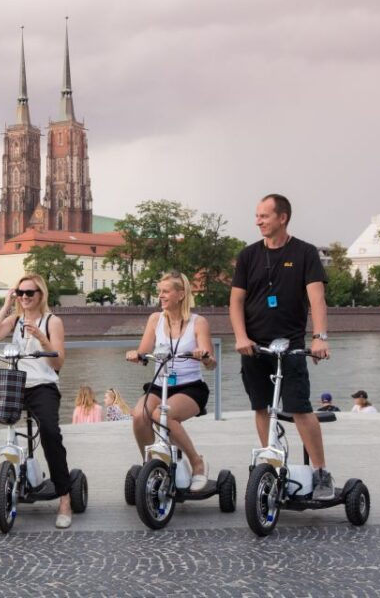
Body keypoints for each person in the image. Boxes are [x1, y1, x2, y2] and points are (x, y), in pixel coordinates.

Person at [230, 193, 335, 500]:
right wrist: (240, 337)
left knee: (300, 408)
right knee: (261, 406)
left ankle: (320, 471)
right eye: (257, 216)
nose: (258, 221)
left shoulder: (304, 253)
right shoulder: (248, 255)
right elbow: (236, 301)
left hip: (289, 344)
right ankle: (271, 462)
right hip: (254, 346)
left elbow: (316, 297)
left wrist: (319, 336)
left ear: (282, 217)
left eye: (264, 216)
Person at [0, 274, 74, 529]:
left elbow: (58, 362)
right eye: (21, 293)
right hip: (15, 383)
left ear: (41, 295)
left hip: (43, 385)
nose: (25, 297)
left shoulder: (53, 321)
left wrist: (42, 338)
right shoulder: (15, 319)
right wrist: (7, 303)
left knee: (50, 431)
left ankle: (64, 497)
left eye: (30, 293)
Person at [127, 271, 216, 492]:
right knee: (140, 415)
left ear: (181, 294)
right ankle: (153, 464)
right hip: (161, 382)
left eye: (166, 291)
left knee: (161, 414)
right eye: (160, 292)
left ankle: (197, 462)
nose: (161, 296)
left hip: (190, 386)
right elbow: (144, 351)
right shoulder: (155, 319)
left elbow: (211, 362)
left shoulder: (198, 322)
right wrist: (136, 355)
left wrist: (203, 355)